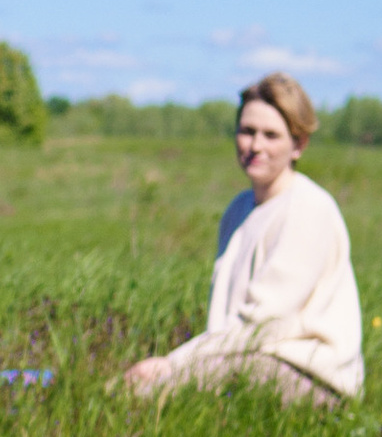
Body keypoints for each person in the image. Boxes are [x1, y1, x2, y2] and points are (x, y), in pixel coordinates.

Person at [121, 72, 363, 405]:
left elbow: (266, 324)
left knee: (156, 394)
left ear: (299, 144)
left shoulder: (308, 208)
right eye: (247, 131)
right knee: (130, 389)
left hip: (309, 374)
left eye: (271, 135)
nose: (255, 146)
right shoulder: (239, 210)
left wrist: (174, 363)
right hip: (247, 356)